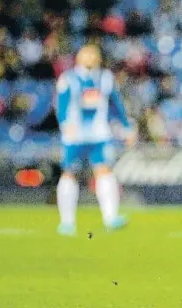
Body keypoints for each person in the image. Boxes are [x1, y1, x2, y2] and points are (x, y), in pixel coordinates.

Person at [55, 45, 136, 236]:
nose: (91, 57)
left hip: (99, 135)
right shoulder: (69, 79)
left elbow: (115, 104)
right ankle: (67, 222)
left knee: (104, 171)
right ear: (78, 57)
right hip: (75, 137)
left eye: (94, 54)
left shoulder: (106, 78)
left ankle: (110, 217)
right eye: (87, 53)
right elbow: (62, 105)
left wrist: (126, 128)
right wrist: (65, 124)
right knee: (69, 173)